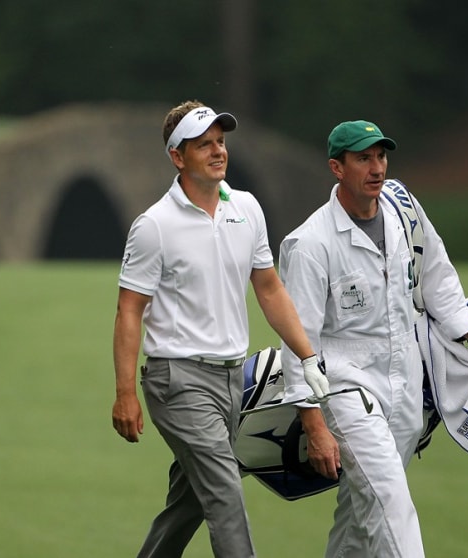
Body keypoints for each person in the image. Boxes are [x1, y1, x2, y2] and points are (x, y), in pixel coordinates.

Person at [111, 100, 329, 558]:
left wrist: (307, 357)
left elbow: (269, 289)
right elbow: (130, 310)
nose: (217, 151)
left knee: (189, 502)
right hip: (177, 382)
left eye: (221, 142)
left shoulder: (246, 208)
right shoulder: (154, 226)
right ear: (177, 156)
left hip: (233, 382)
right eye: (203, 144)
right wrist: (125, 392)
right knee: (225, 492)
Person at [278, 120, 468, 557]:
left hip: (405, 384)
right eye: (363, 158)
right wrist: (312, 420)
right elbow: (298, 339)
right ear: (336, 168)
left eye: (381, 156)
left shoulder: (404, 212)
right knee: (392, 504)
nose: (377, 167)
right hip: (345, 386)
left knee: (361, 514)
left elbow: (438, 280)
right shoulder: (310, 243)